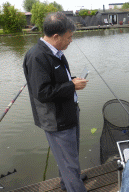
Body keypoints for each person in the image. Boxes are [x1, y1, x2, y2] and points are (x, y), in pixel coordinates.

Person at [23, 12, 88, 192]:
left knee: (69, 157)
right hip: (57, 120)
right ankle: (74, 184)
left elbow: (57, 81)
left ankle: (68, 181)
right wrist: (71, 86)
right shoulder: (37, 57)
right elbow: (42, 93)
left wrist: (72, 81)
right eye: (69, 37)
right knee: (68, 161)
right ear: (56, 36)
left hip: (68, 112)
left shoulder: (56, 52)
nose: (71, 41)